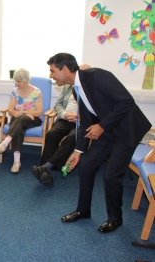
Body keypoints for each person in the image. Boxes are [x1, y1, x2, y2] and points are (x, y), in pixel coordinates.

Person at [47, 53, 151, 233]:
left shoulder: (98, 76)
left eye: (53, 71)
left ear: (65, 69)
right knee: (86, 167)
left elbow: (126, 101)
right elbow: (86, 121)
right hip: (107, 131)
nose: (51, 75)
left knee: (111, 176)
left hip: (126, 131)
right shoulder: (75, 89)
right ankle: (83, 210)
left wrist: (102, 126)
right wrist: (78, 151)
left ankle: (115, 218)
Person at [31, 63, 91, 186]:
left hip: (82, 123)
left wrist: (81, 117)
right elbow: (58, 105)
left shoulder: (92, 90)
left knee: (71, 138)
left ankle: (45, 167)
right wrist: (64, 114)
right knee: (51, 133)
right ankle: (45, 172)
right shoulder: (68, 86)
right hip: (65, 119)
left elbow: (95, 112)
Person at [0, 68, 43, 174]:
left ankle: (5, 143)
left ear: (26, 81)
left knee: (20, 119)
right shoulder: (15, 91)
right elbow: (10, 109)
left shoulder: (36, 92)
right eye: (16, 81)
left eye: (19, 81)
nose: (17, 83)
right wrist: (15, 113)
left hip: (33, 120)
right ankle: (17, 162)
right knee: (19, 127)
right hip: (18, 119)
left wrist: (23, 111)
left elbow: (39, 112)